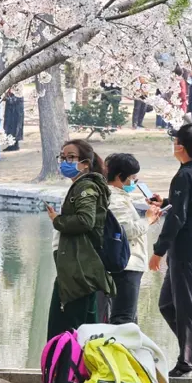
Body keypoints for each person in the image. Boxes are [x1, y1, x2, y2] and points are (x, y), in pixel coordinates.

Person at [151, 123, 192, 377]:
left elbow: (177, 218)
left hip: (187, 250)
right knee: (167, 304)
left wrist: (158, 251)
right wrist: (167, 202)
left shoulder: (185, 175)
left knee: (186, 306)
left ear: (180, 147)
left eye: (175, 141)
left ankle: (186, 364)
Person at [45, 140, 115, 340]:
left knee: (66, 332)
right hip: (78, 268)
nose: (64, 162)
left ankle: (65, 360)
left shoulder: (86, 187)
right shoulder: (83, 185)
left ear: (85, 164)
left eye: (70, 158)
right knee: (84, 331)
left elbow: (86, 220)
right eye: (62, 157)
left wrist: (58, 220)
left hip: (78, 270)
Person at [105, 153, 161, 325]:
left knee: (126, 318)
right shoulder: (115, 199)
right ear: (119, 176)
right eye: (133, 178)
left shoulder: (118, 196)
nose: (135, 182)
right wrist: (148, 220)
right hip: (127, 265)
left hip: (126, 264)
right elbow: (125, 231)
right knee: (124, 320)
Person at [3, 87, 24, 152]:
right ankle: (12, 144)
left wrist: (7, 98)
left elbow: (14, 100)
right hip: (11, 111)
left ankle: (14, 145)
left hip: (15, 112)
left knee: (14, 128)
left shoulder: (18, 91)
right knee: (10, 128)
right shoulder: (11, 90)